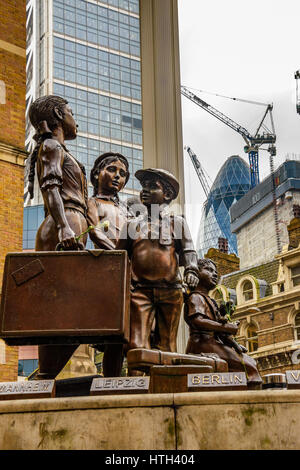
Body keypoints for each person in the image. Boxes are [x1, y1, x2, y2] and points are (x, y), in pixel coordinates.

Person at [28, 95, 89, 380]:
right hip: (62, 225)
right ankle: (46, 373)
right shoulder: (51, 145)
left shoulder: (61, 149)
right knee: (60, 302)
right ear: (57, 114)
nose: (75, 119)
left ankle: (47, 373)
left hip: (74, 222)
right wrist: (64, 226)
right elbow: (51, 188)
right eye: (71, 112)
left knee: (71, 302)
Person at [116, 168, 199, 356]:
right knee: (137, 344)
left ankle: (166, 384)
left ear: (167, 194)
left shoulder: (177, 223)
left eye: (152, 186)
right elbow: (118, 260)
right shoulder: (131, 225)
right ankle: (137, 384)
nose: (144, 190)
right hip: (140, 292)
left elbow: (189, 251)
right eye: (143, 186)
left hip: (171, 291)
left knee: (167, 346)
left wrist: (191, 271)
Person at [87, 152, 133, 376]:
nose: (117, 177)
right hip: (108, 269)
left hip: (131, 271)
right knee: (114, 333)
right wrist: (118, 254)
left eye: (122, 174)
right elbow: (94, 231)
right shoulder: (93, 202)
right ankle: (111, 381)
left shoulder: (128, 209)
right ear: (97, 174)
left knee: (132, 331)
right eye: (112, 170)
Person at [184, 258, 262, 387]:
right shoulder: (196, 297)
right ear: (196, 273)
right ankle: (250, 401)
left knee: (252, 362)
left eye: (215, 271)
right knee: (249, 368)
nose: (214, 274)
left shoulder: (210, 300)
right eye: (208, 270)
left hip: (213, 343)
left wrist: (235, 345)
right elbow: (197, 321)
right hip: (201, 345)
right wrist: (226, 327)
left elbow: (220, 333)